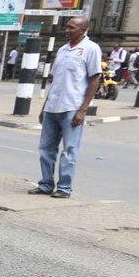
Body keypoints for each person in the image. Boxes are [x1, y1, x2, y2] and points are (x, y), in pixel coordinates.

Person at [28, 16, 101, 199]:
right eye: (67, 27)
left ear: (83, 30)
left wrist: (83, 109)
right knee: (46, 148)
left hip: (72, 107)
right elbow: (55, 81)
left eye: (72, 27)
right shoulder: (62, 50)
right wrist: (44, 107)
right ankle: (45, 184)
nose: (67, 30)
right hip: (53, 107)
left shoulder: (91, 49)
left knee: (69, 150)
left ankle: (64, 187)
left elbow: (94, 80)